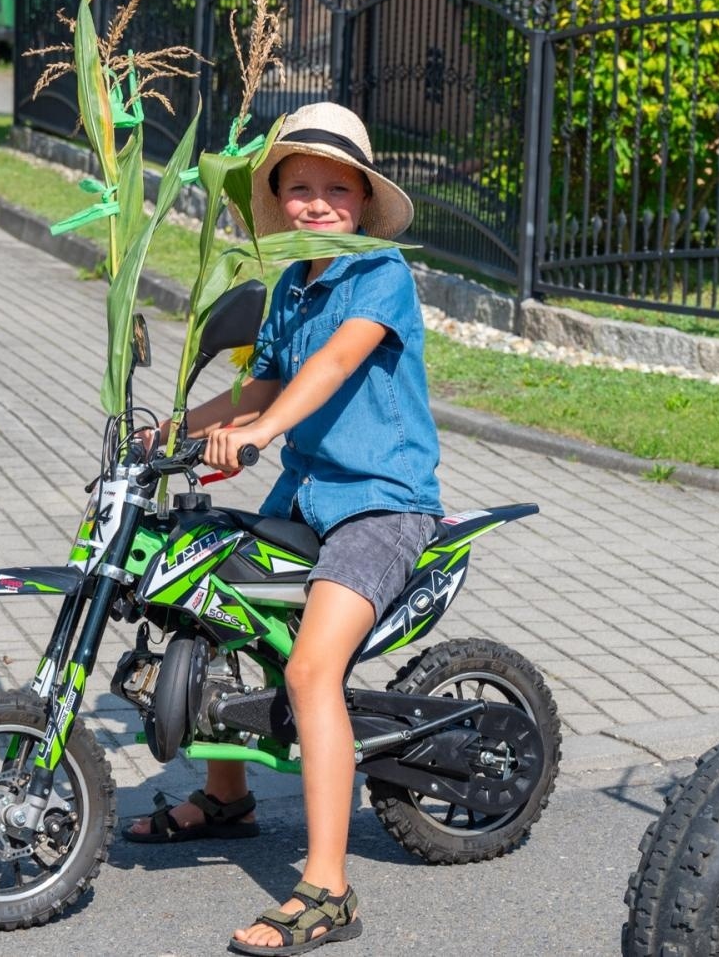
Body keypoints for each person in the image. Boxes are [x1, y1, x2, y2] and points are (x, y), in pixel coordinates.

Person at [124, 102, 443, 955]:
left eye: (334, 189)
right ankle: (226, 799)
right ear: (277, 198)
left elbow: (335, 364)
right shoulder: (289, 287)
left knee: (309, 669)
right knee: (206, 611)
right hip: (305, 496)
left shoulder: (380, 273)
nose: (314, 203)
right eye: (296, 187)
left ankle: (328, 889)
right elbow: (258, 389)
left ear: (363, 201)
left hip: (380, 504)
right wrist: (171, 433)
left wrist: (262, 436)